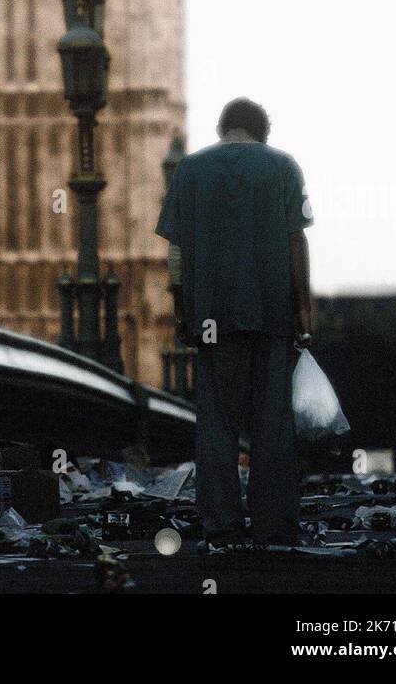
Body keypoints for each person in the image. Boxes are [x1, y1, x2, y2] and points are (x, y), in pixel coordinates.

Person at [156, 97, 313, 547]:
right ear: (262, 131)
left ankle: (223, 528)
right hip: (273, 314)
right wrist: (304, 312)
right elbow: (295, 242)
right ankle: (274, 528)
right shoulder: (283, 165)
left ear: (223, 128)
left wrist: (184, 312)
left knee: (217, 428)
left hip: (212, 318)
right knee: (273, 427)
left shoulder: (189, 170)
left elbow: (177, 253)